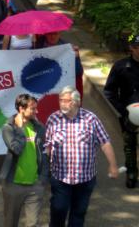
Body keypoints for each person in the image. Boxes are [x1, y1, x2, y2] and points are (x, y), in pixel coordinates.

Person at [44, 86, 118, 227]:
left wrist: (113, 165)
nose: (62, 103)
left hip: (85, 178)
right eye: (61, 100)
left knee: (78, 214)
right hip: (60, 177)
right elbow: (47, 146)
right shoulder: (53, 119)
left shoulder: (91, 119)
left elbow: (105, 142)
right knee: (58, 209)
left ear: (77, 102)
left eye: (67, 101)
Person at [0, 94, 47, 227]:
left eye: (36, 108)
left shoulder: (38, 128)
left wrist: (42, 178)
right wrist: (21, 129)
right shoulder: (8, 128)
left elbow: (44, 154)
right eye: (32, 109)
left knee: (33, 224)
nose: (36, 112)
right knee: (10, 223)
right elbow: (17, 149)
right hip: (13, 185)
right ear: (21, 108)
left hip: (35, 185)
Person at [103, 34, 139, 188]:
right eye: (138, 47)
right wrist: (122, 110)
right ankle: (132, 173)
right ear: (132, 48)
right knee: (129, 144)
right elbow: (109, 91)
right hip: (128, 113)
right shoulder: (121, 66)